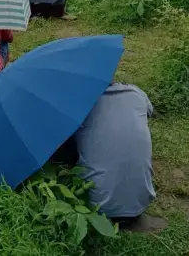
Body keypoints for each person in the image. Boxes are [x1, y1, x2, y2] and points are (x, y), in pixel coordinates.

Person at [53, 83, 155, 225]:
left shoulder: (79, 103)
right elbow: (149, 112)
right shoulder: (136, 93)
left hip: (97, 207)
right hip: (140, 204)